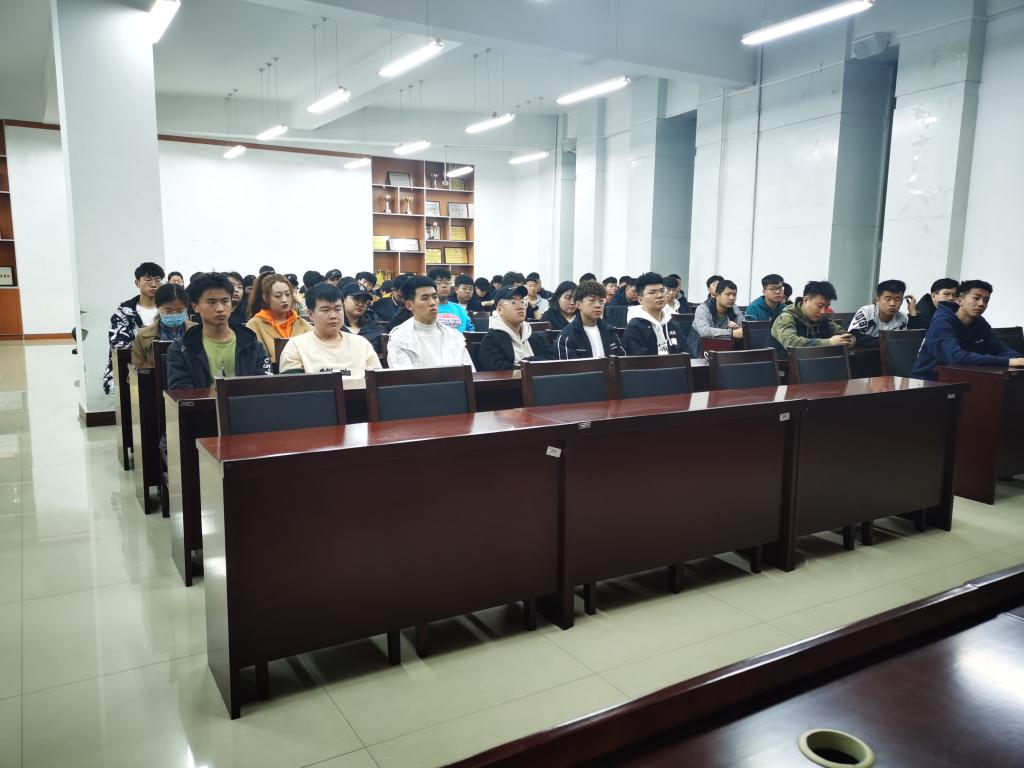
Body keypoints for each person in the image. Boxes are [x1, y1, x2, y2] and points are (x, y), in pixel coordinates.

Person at [166, 272, 271, 388]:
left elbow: (266, 388)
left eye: (225, 301)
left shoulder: (252, 344)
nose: (220, 308)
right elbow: (181, 392)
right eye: (211, 302)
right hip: (203, 401)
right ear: (195, 306)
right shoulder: (181, 349)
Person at [911, 280, 1024, 379]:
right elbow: (956, 357)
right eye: (976, 298)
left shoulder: (980, 323)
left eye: (986, 300)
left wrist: (1019, 359)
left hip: (963, 377)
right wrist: (1007, 362)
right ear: (959, 301)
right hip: (929, 380)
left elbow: (1001, 350)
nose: (981, 304)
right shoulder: (941, 322)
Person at [278, 282, 382, 377]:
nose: (333, 316)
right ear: (310, 314)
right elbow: (293, 388)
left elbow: (379, 383)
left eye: (338, 309)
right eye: (325, 310)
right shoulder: (296, 347)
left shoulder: (361, 344)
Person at [387, 276, 475, 369]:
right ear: (409, 305)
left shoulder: (453, 335)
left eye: (434, 297)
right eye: (425, 298)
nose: (432, 303)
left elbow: (469, 372)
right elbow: (404, 376)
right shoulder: (400, 338)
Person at [104, 261, 164, 395]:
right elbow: (118, 344)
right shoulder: (124, 313)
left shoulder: (168, 311)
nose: (153, 284)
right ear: (137, 283)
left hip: (165, 367)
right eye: (148, 280)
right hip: (131, 369)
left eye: (158, 280)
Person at [770, 280, 855, 356]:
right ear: (806, 300)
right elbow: (791, 343)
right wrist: (829, 342)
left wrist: (849, 341)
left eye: (826, 307)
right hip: (785, 366)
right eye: (820, 306)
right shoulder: (785, 317)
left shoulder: (823, 319)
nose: (823, 311)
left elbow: (845, 335)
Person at [477, 286, 553, 370]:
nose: (520, 307)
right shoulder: (491, 340)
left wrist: (526, 362)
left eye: (522, 302)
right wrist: (528, 365)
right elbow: (497, 370)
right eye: (513, 302)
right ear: (499, 310)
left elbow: (551, 358)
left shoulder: (531, 335)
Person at [245, 272, 312, 362]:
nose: (284, 300)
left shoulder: (302, 324)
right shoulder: (254, 326)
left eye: (288, 294)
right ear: (266, 298)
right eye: (278, 296)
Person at [556, 280, 625, 359]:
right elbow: (568, 366)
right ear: (578, 304)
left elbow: (622, 361)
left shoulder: (611, 331)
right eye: (592, 301)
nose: (598, 305)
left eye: (601, 301)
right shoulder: (567, 337)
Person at [130, 283, 195, 366]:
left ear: (186, 308)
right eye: (168, 311)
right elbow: (137, 369)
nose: (174, 314)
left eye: (179, 311)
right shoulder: (143, 336)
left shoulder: (198, 331)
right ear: (157, 306)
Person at [623, 272, 686, 355]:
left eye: (662, 291)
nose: (660, 295)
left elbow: (687, 354)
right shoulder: (635, 327)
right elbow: (638, 361)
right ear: (640, 300)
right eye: (652, 292)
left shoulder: (672, 324)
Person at [848, 279, 924, 347]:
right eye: (888, 299)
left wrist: (912, 312)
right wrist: (891, 341)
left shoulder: (902, 318)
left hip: (890, 357)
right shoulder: (867, 312)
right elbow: (854, 336)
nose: (892, 304)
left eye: (897, 299)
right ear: (877, 300)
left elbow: (914, 341)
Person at [340, 281, 386, 354]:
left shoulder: (375, 328)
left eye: (364, 301)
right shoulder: (335, 327)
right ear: (343, 300)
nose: (360, 304)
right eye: (356, 299)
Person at [428, 267, 474, 332]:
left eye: (447, 283)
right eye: (439, 282)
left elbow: (470, 331)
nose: (444, 285)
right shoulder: (426, 309)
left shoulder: (459, 309)